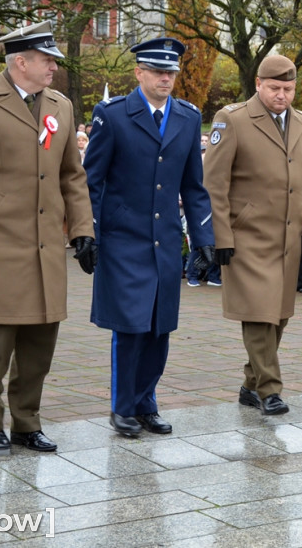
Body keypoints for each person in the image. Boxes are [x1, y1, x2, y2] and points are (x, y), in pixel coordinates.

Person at [0, 20, 95, 452]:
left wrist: (83, 230)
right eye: (47, 60)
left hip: (45, 246)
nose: (53, 68)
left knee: (40, 343)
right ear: (20, 61)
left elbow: (71, 175)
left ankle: (27, 421)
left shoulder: (59, 106)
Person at [83, 37, 215, 437]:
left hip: (165, 239)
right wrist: (87, 231)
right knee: (130, 327)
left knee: (160, 327)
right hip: (123, 237)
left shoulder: (188, 118)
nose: (165, 78)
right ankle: (123, 408)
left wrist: (204, 238)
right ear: (138, 72)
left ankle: (146, 403)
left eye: (171, 72)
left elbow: (194, 186)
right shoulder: (114, 115)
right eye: (157, 71)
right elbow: (92, 179)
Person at [204, 54, 302, 416]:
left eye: (289, 89)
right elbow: (214, 184)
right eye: (275, 88)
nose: (282, 95)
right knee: (259, 314)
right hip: (246, 235)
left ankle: (251, 382)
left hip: (289, 238)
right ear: (259, 84)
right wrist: (220, 237)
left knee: (279, 315)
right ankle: (270, 389)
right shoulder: (232, 120)